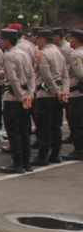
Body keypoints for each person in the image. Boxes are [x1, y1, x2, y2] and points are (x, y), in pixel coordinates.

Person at [0, 29, 34, 173]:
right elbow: (32, 74)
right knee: (24, 130)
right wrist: (30, 94)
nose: (1, 42)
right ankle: (27, 162)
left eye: (2, 39)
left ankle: (17, 163)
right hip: (26, 94)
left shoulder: (8, 56)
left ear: (7, 40)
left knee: (13, 131)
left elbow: (13, 79)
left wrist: (20, 97)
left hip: (14, 98)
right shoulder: (24, 54)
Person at [32, 28, 69, 166]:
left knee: (43, 126)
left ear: (42, 39)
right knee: (56, 126)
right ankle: (55, 153)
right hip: (58, 92)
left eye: (37, 39)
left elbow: (46, 75)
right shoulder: (59, 53)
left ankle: (42, 156)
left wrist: (54, 91)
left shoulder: (43, 54)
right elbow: (65, 74)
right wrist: (63, 91)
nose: (36, 42)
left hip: (46, 94)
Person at [64, 29, 83, 160]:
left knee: (76, 122)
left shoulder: (76, 54)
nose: (69, 40)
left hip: (76, 92)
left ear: (76, 40)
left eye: (71, 38)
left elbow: (80, 74)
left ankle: (79, 150)